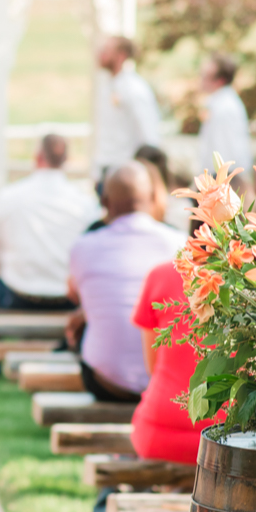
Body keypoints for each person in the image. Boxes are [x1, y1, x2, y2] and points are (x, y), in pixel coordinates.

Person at [0, 134, 98, 374]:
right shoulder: (84, 203)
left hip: (17, 296)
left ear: (37, 157)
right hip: (67, 299)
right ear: (66, 160)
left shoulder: (9, 197)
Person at [66, 163, 184, 402]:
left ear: (105, 202)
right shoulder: (179, 243)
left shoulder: (83, 247)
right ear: (153, 197)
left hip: (105, 381)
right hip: (165, 376)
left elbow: (75, 295)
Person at [129, 260, 220, 466]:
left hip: (160, 434)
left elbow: (152, 367)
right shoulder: (255, 284)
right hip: (229, 441)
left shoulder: (160, 275)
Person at [92, 36, 162, 185]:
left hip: (125, 172)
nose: (100, 53)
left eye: (106, 50)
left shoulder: (134, 89)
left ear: (121, 55)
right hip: (106, 166)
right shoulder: (107, 85)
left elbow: (148, 133)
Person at [195, 53, 252, 180]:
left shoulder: (225, 108)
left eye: (205, 76)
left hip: (224, 181)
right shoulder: (218, 103)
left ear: (220, 80)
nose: (201, 80)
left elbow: (225, 154)